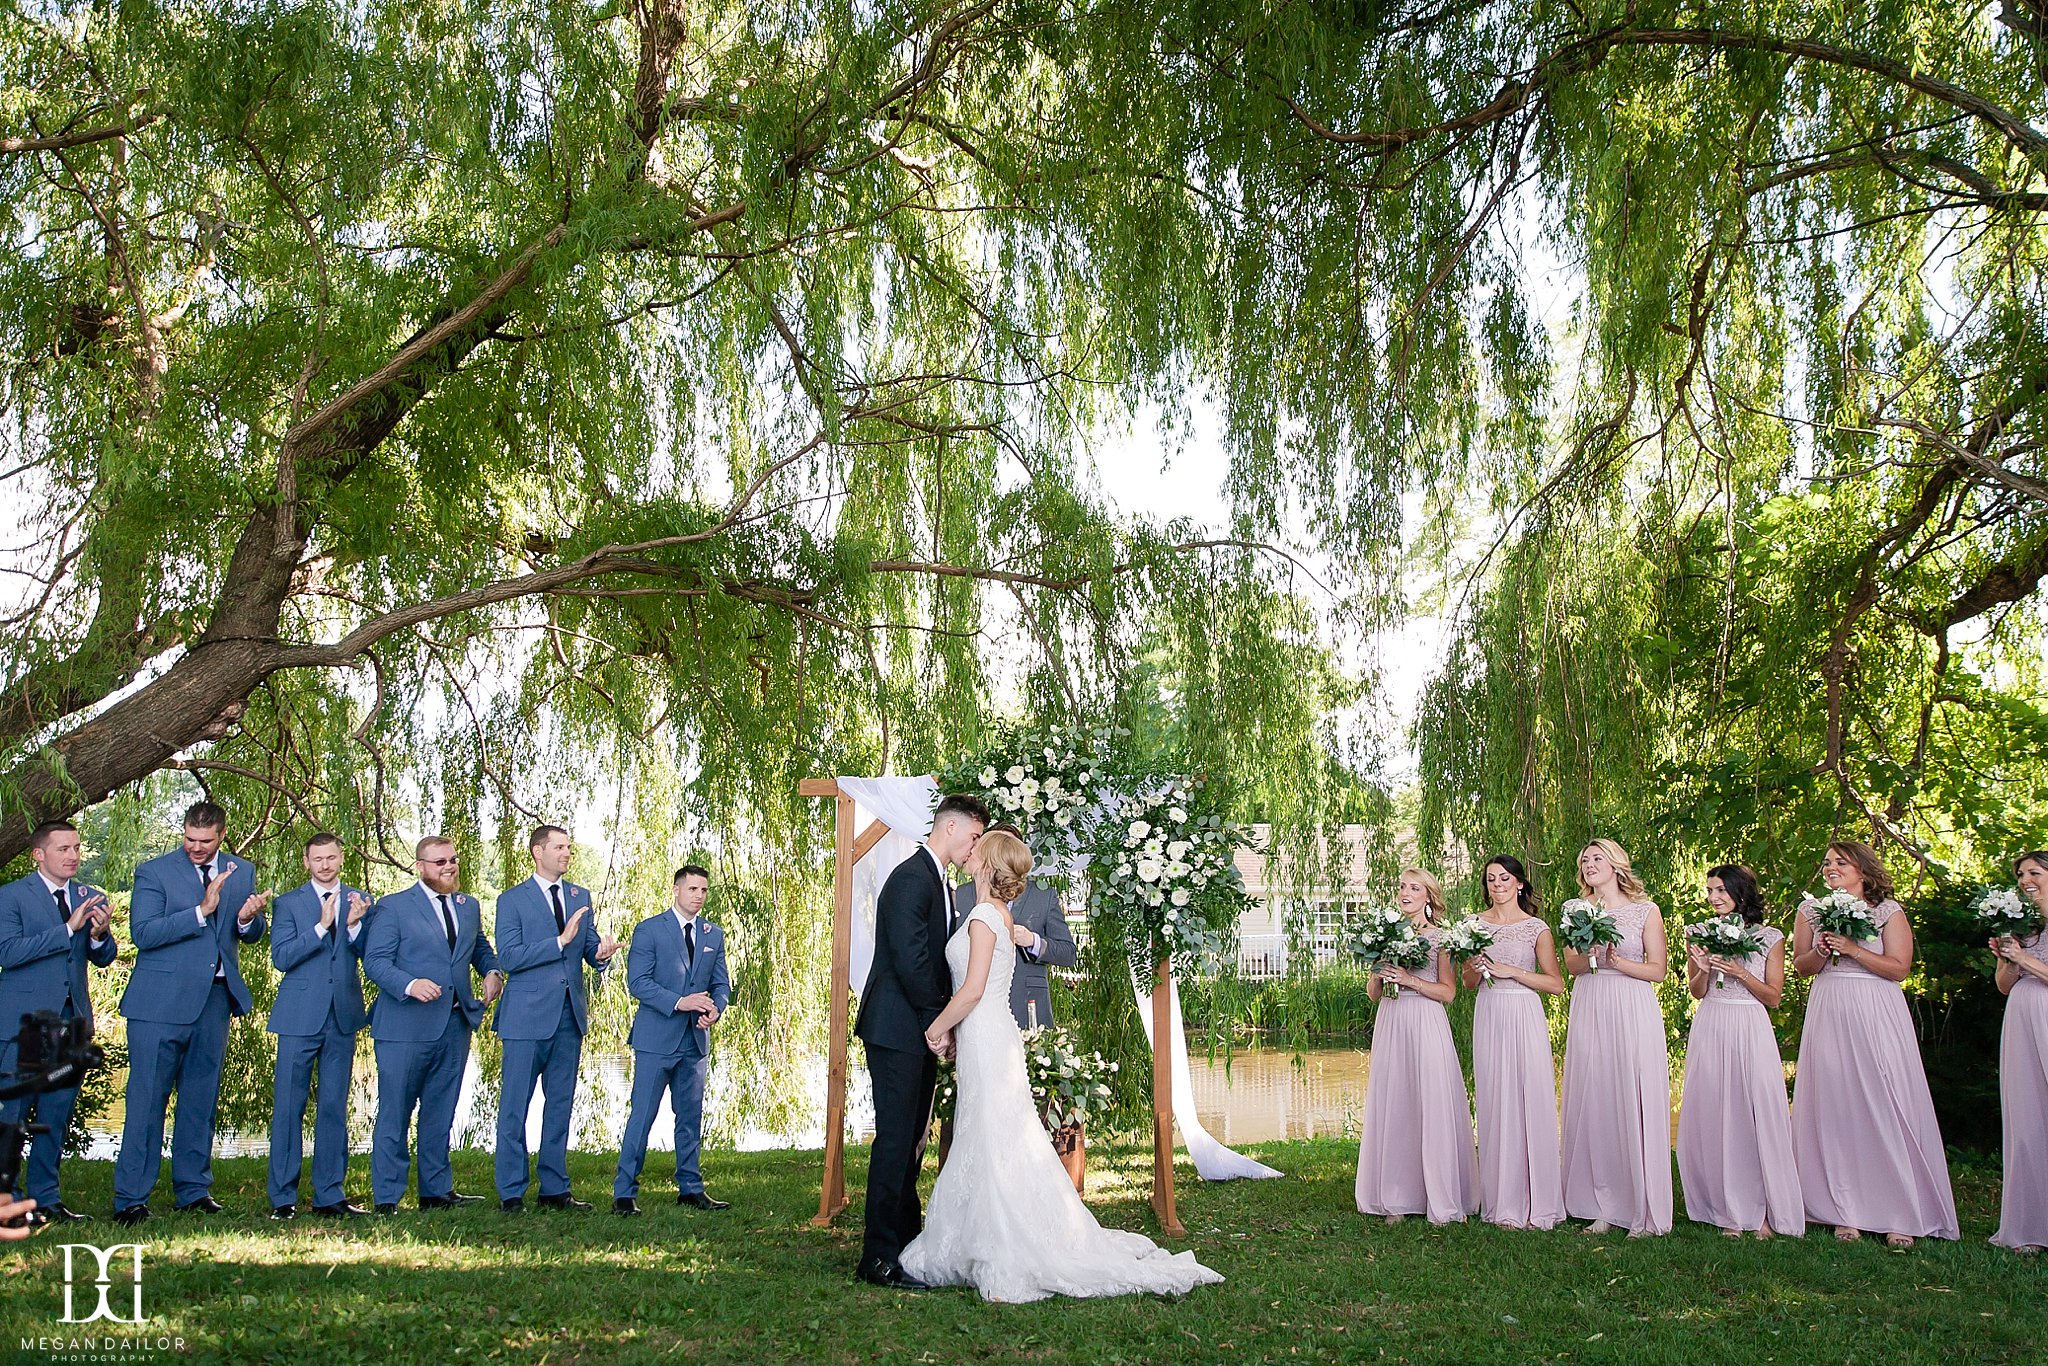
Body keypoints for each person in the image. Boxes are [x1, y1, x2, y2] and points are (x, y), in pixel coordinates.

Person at [897, 830, 1222, 1301]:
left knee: (991, 1138)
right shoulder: (991, 912)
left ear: (987, 865)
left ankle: (1004, 1241)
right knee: (992, 1137)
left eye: (977, 849)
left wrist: (935, 1029)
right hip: (987, 1034)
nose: (969, 853)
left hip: (986, 1033)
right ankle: (983, 1233)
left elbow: (972, 990)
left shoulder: (986, 917)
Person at [1790, 839, 1957, 1248]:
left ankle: (1900, 1210)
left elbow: (1899, 968)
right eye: (1827, 862)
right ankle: (1843, 1210)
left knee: (1885, 1100)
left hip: (1876, 1009)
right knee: (1837, 1103)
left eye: (1840, 862)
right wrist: (1821, 949)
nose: (1830, 868)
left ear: (1862, 870)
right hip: (1830, 1006)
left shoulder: (1887, 912)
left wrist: (1853, 950)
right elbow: (1801, 966)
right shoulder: (1811, 912)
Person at [852, 792, 988, 1289]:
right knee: (894, 1140)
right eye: (974, 836)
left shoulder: (937, 879)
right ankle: (878, 1256)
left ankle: (904, 1238)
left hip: (914, 1028)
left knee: (911, 1138)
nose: (975, 847)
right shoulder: (912, 878)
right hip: (897, 1029)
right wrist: (939, 1023)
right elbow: (911, 960)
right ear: (950, 827)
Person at [113, 801, 270, 1224]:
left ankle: (193, 1191)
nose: (196, 847)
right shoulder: (154, 872)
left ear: (221, 834)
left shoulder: (242, 871)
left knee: (200, 1101)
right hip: (158, 1005)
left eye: (205, 841)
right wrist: (201, 911)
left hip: (214, 1001)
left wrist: (246, 920)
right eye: (189, 839)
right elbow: (143, 934)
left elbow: (250, 933)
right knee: (147, 1101)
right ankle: (130, 1198)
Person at [364, 836, 503, 1213]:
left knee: (441, 1111)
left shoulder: (468, 905)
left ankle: (436, 1191)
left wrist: (491, 971)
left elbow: (479, 947)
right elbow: (375, 961)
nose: (449, 867)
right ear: (420, 866)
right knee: (395, 1112)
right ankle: (388, 1198)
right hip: (403, 1028)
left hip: (455, 1023)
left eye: (453, 860)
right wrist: (409, 984)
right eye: (439, 862)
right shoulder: (392, 908)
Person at [493, 825, 619, 1212]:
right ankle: (512, 1191)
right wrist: (559, 942)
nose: (567, 853)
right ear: (537, 852)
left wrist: (601, 955)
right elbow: (510, 958)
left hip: (569, 1016)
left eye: (569, 847)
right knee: (515, 1106)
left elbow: (588, 946)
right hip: (525, 1017)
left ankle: (554, 1189)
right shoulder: (511, 900)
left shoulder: (581, 895)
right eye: (559, 847)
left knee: (560, 1104)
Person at [1676, 864, 1802, 1239]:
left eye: (1720, 890)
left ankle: (1762, 1211)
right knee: (1716, 1114)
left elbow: (1774, 996)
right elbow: (1697, 992)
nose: (1713, 897)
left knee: (1754, 1113)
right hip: (1712, 1023)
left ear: (1740, 892)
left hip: (1750, 1025)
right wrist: (1701, 969)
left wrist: (1739, 972)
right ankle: (1726, 1209)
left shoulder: (1770, 937)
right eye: (1710, 890)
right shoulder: (1697, 933)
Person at [0, 820, 116, 1225]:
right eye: (63, 849)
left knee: (56, 1112)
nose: (73, 856)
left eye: (77, 848)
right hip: (24, 1022)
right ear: (39, 854)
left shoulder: (90, 896)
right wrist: (67, 928)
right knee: (13, 1114)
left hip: (72, 1020)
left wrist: (100, 934)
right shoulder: (11, 897)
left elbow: (101, 957)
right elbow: (9, 953)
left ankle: (46, 1198)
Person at [1558, 838, 1673, 1237]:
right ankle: (1603, 1205)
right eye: (1584, 859)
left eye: (1596, 858)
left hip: (1631, 1003)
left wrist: (1617, 961)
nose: (1589, 864)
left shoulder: (1646, 910)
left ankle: (1641, 1206)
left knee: (1632, 1094)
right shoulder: (1576, 910)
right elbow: (1572, 965)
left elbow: (1658, 970)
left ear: (1616, 865)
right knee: (1599, 1097)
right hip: (1591, 1001)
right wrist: (1592, 958)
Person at [1355, 867, 1477, 1225]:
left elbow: (1449, 992)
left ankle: (1439, 1194)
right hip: (1392, 1021)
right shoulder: (1384, 934)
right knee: (1396, 1101)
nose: (1406, 892)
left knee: (1431, 1100)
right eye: (1402, 887)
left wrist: (1410, 980)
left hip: (1426, 1021)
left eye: (1414, 887)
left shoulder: (1440, 938)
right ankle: (1396, 1196)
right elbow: (1372, 995)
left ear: (1429, 896)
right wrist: (1380, 971)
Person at [265, 832, 373, 1219]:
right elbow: (281, 957)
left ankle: (330, 1195)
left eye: (331, 858)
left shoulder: (361, 899)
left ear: (341, 858)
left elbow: (373, 954)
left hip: (342, 1015)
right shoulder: (290, 903)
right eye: (318, 859)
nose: (325, 866)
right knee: (288, 1107)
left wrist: (356, 927)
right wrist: (320, 927)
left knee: (332, 1106)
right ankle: (282, 1199)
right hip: (298, 1017)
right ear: (306, 861)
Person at [613, 864, 732, 1215]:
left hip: (694, 1043)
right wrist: (681, 1002)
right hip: (655, 1040)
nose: (698, 895)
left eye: (704, 890)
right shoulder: (649, 930)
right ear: (676, 890)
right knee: (642, 1117)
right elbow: (639, 982)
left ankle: (691, 1188)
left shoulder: (714, 934)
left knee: (690, 1118)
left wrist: (715, 1009)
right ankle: (624, 1192)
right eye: (692, 889)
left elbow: (721, 984)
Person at [1462, 854, 1566, 1230]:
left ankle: (1537, 1200)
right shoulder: (1473, 925)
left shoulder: (1536, 928)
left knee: (1529, 1096)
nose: (1497, 885)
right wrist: (1474, 966)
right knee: (1495, 1097)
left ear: (1520, 883)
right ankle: (1501, 1199)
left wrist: (1513, 972)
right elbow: (1469, 984)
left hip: (1524, 1012)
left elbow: (1555, 983)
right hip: (1489, 1012)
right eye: (1491, 879)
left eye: (1504, 878)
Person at [951, 822, 1078, 1030]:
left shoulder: (1043, 896)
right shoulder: (960, 896)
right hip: (973, 1013)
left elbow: (1068, 954)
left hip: (1028, 1011)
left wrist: (1033, 942)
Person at [1989, 850, 2048, 1252]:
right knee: (2028, 1119)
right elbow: (2004, 985)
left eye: (2035, 872)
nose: (2026, 879)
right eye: (2021, 874)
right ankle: (2031, 1227)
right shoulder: (2024, 927)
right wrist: (2009, 957)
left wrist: (2024, 958)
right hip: (2021, 1019)